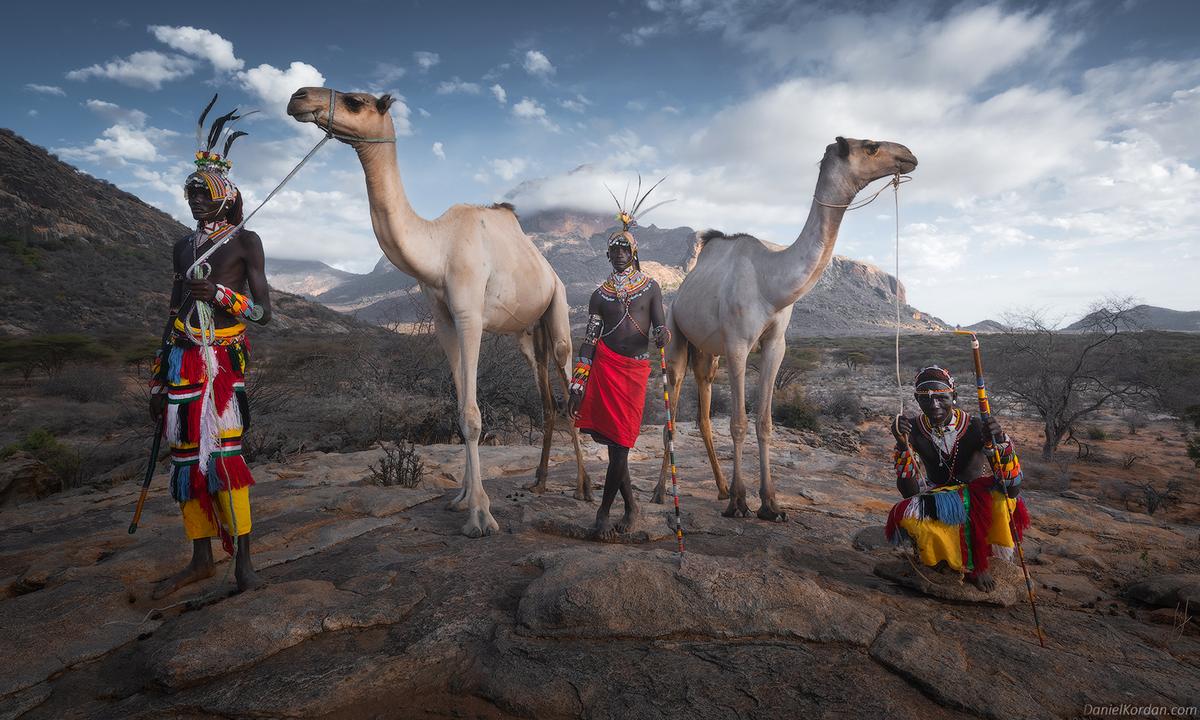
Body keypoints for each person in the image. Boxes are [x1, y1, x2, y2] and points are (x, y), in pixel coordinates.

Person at [148, 96, 270, 598]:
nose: (196, 200)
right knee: (185, 460)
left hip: (223, 363)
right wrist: (158, 378)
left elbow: (264, 313)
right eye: (190, 192)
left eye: (204, 193)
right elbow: (173, 312)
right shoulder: (183, 246)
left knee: (227, 459)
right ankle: (200, 559)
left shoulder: (245, 242)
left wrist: (220, 295)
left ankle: (243, 564)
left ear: (226, 196)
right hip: (183, 359)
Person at [568, 212, 668, 540]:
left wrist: (662, 336)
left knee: (622, 443)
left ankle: (603, 513)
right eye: (615, 249)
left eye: (625, 248)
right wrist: (577, 385)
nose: (620, 253)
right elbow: (589, 341)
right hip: (605, 368)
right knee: (615, 446)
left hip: (634, 371)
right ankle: (629, 508)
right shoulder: (599, 295)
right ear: (608, 255)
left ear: (634, 252)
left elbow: (661, 327)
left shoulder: (651, 288)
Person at [885, 366, 1029, 592]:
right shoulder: (911, 429)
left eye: (942, 398)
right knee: (903, 513)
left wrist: (1000, 440)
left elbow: (1011, 489)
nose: (934, 406)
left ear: (954, 397)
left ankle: (979, 565)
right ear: (916, 399)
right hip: (937, 494)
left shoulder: (976, 427)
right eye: (925, 399)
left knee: (1002, 503)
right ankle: (943, 558)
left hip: (975, 493)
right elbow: (908, 492)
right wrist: (902, 444)